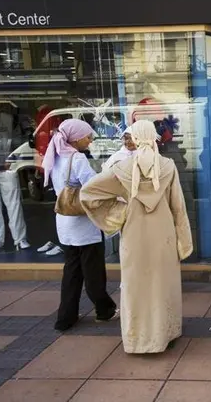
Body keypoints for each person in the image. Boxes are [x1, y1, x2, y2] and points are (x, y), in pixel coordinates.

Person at [80, 120, 193, 354]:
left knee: (137, 287)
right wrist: (183, 242)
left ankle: (138, 341)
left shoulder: (121, 168)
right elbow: (178, 207)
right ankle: (165, 335)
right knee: (162, 285)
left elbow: (88, 193)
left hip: (134, 234)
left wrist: (118, 214)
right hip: (164, 235)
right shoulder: (168, 165)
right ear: (153, 137)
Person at [42, 119, 118, 331]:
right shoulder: (77, 158)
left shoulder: (55, 156)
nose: (90, 140)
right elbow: (92, 186)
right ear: (75, 138)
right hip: (83, 224)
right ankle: (105, 310)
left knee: (72, 272)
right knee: (93, 272)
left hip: (65, 223)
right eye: (87, 136)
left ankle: (65, 318)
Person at [0, 107, 30, 253]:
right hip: (6, 167)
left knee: (3, 207)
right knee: (11, 206)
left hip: (6, 167)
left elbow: (19, 140)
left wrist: (12, 158)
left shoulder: (9, 118)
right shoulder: (9, 118)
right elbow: (19, 139)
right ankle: (19, 240)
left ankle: (0, 240)